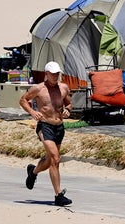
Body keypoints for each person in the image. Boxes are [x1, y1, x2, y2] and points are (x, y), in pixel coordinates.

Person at [20, 61, 73, 207]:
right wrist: (32, 112)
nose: (55, 76)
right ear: (46, 74)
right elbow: (23, 100)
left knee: (50, 161)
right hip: (45, 126)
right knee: (56, 158)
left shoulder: (64, 88)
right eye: (53, 74)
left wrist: (68, 109)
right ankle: (58, 195)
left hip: (59, 127)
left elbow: (68, 103)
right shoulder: (38, 88)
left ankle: (33, 172)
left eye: (57, 74)